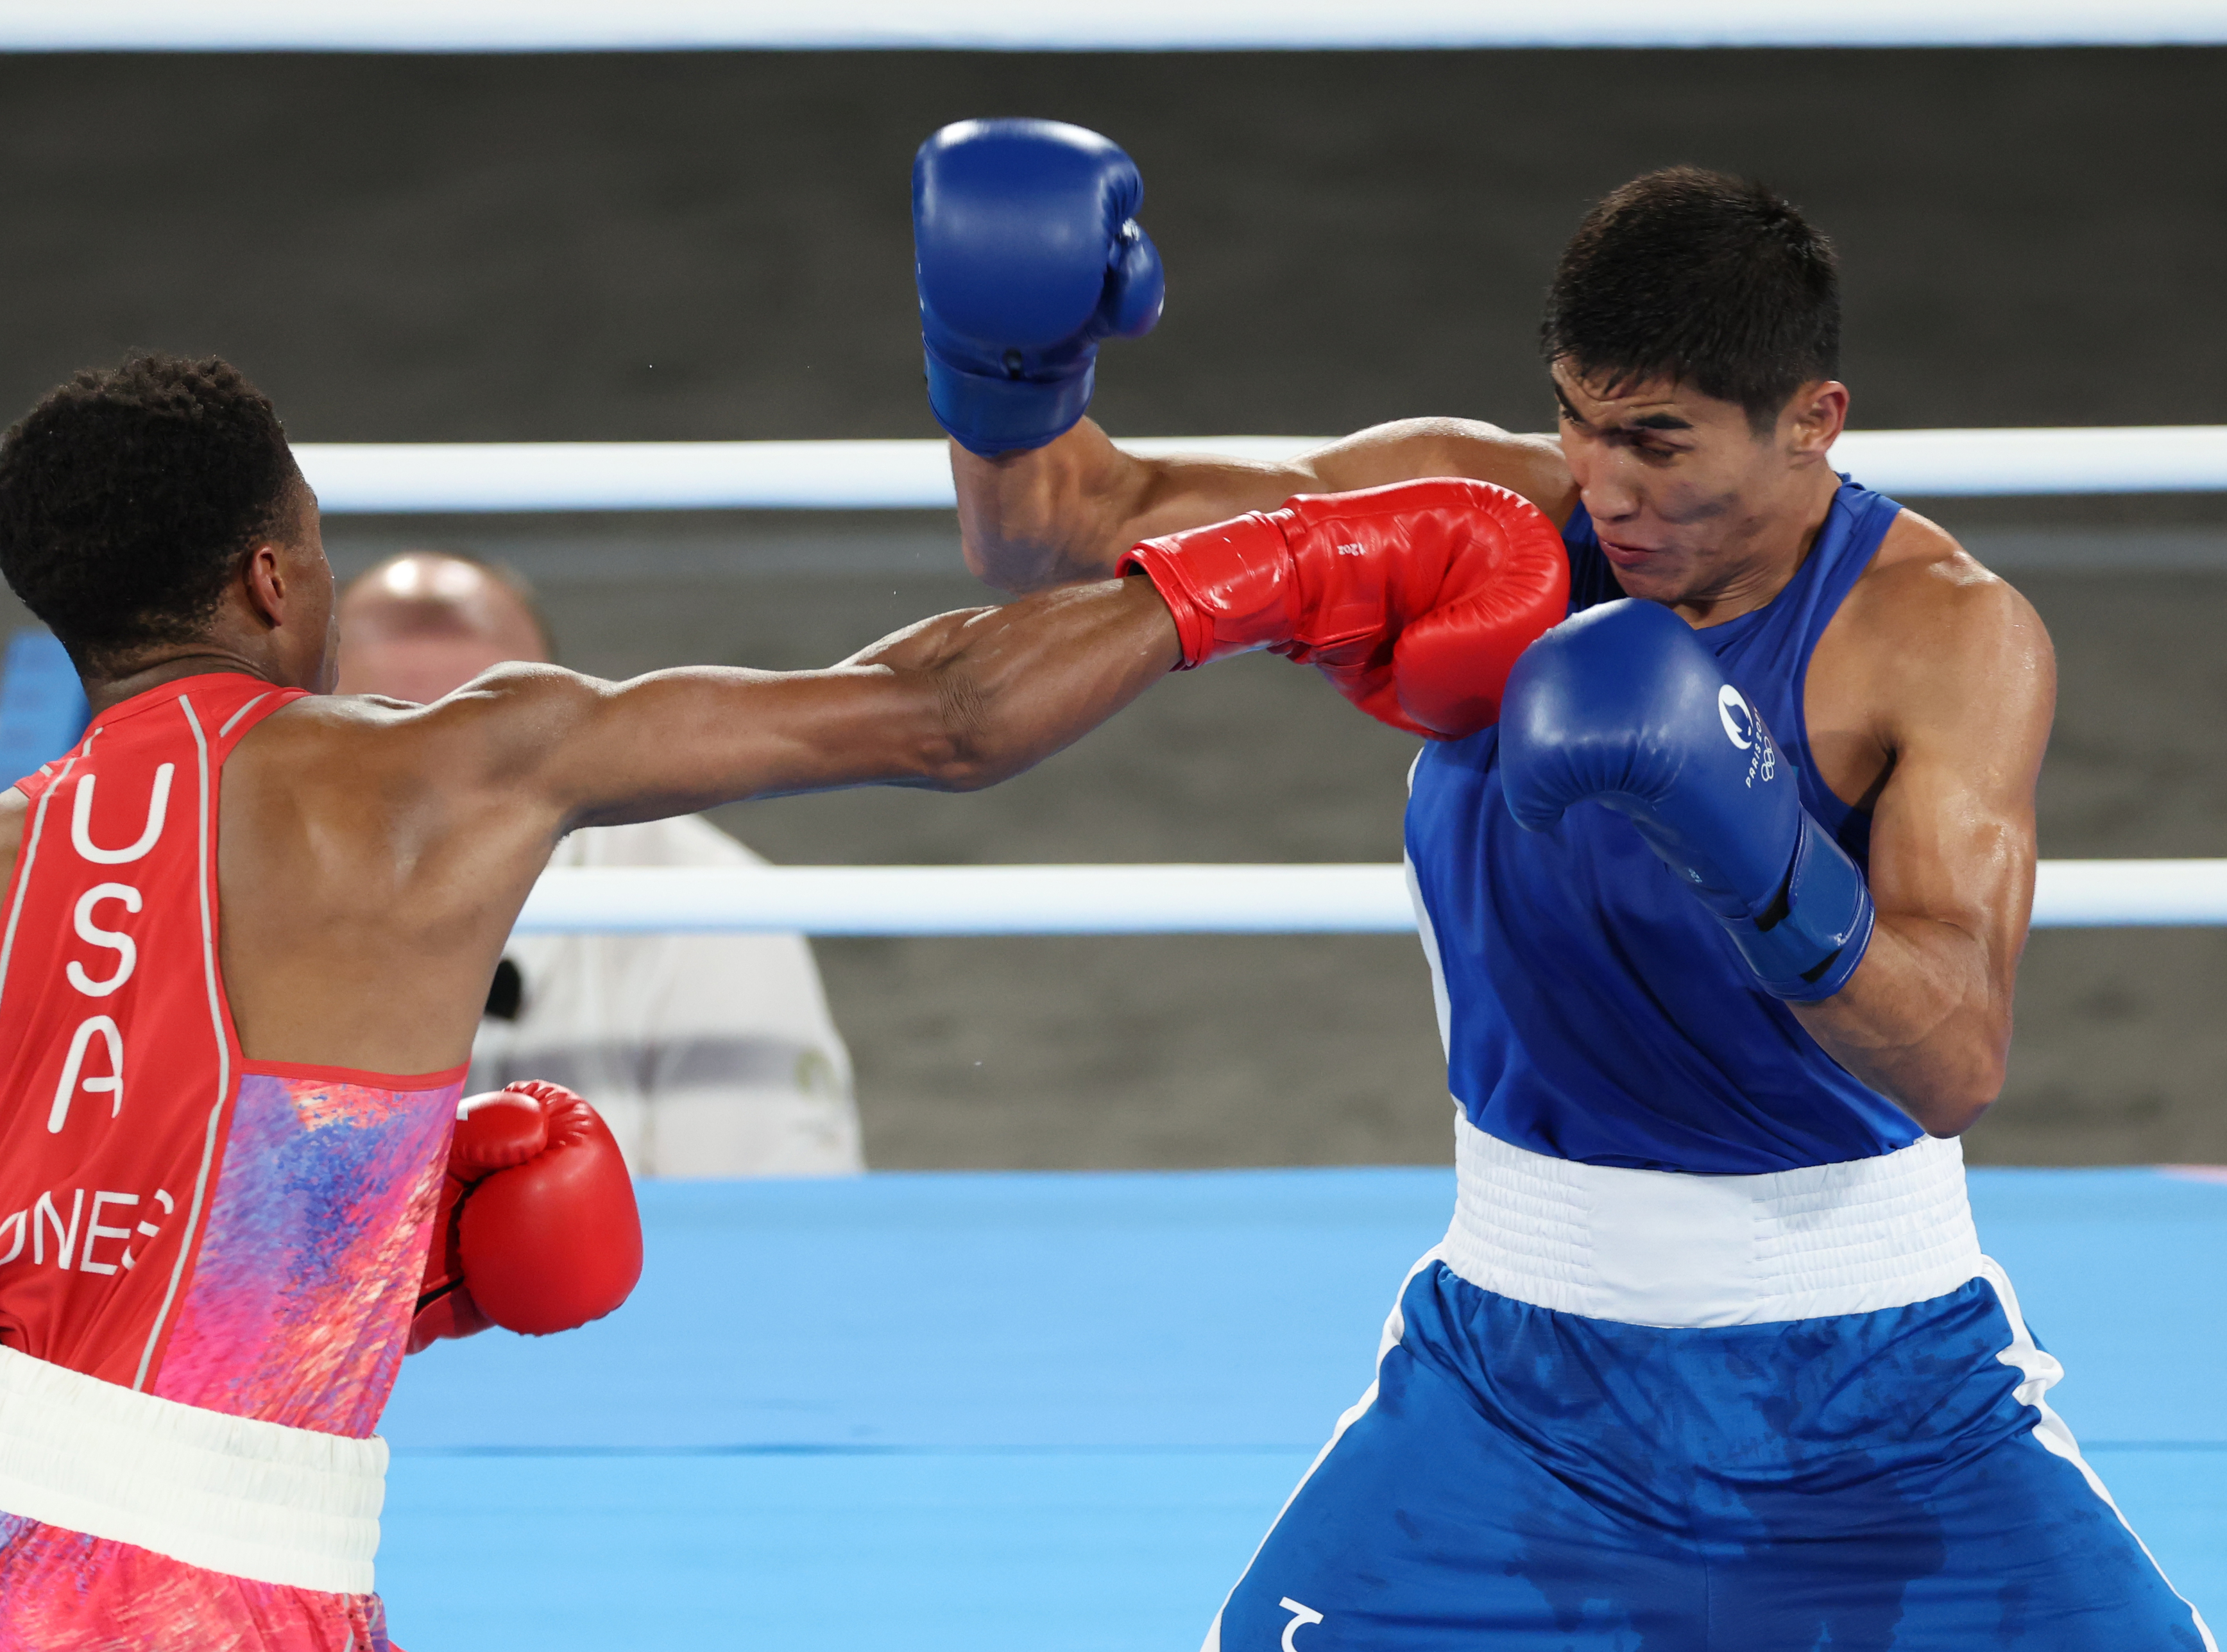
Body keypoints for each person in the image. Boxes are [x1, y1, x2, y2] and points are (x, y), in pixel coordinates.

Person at [0, 352, 1564, 1648]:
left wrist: (333, 1263)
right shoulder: (428, 773)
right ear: (277, 579)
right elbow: (940, 714)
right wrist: (1284, 564)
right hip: (215, 1605)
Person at [916, 121, 2214, 1648]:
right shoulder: (1484, 516)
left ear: (1813, 420)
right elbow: (1052, 532)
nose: (1602, 489)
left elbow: (1953, 1057)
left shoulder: (1941, 635)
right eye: (1576, 424)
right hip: (1514, 1380)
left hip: (1887, 1390)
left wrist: (1756, 848)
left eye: (1657, 443)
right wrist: (1006, 364)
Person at [335, 550, 863, 1177]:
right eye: (384, 739)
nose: (437, 782)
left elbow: (768, 1227)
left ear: (560, 730)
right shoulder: (225, 891)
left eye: (480, 741)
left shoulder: (708, 903)